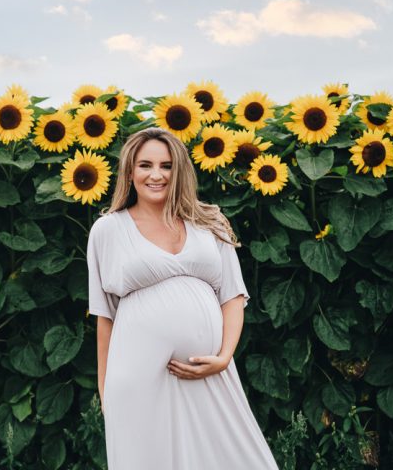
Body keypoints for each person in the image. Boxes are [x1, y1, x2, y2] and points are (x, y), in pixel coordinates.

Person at [86, 127, 278, 469]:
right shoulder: (108, 230)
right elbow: (105, 316)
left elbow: (233, 296)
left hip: (209, 370)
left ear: (180, 171)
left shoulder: (209, 222)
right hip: (136, 377)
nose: (156, 175)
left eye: (167, 165)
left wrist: (224, 357)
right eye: (145, 165)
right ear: (130, 172)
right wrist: (106, 393)